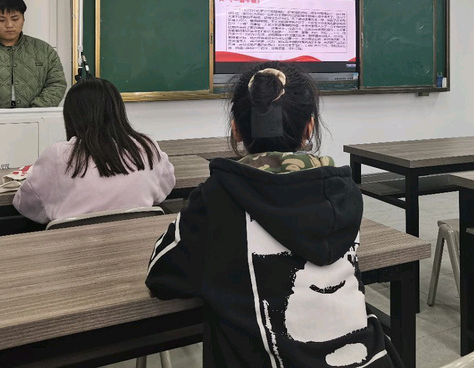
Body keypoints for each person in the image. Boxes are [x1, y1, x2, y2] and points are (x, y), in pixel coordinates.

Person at [145, 62, 402, 368]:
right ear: (309, 128)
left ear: (236, 129)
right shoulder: (344, 193)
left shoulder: (217, 200)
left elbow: (162, 274)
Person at [13, 77, 175, 224]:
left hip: (72, 246)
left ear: (72, 116)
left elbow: (26, 205)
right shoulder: (147, 147)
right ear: (117, 109)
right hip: (138, 244)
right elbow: (165, 189)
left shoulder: (58, 155)